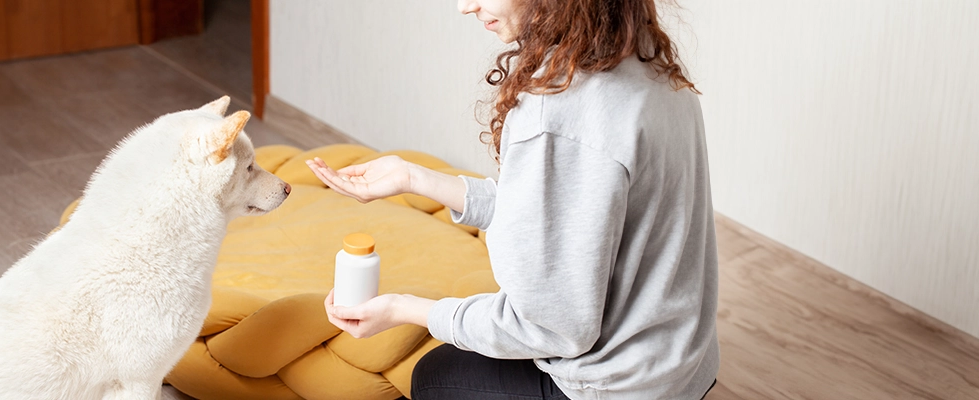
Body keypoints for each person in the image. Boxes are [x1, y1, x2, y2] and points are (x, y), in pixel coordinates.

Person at [305, 0, 719, 399]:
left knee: (434, 377)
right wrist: (413, 178)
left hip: (619, 387)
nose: (464, 6)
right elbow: (565, 215)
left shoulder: (560, 112)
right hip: (684, 364)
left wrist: (404, 309)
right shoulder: (648, 61)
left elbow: (552, 327)